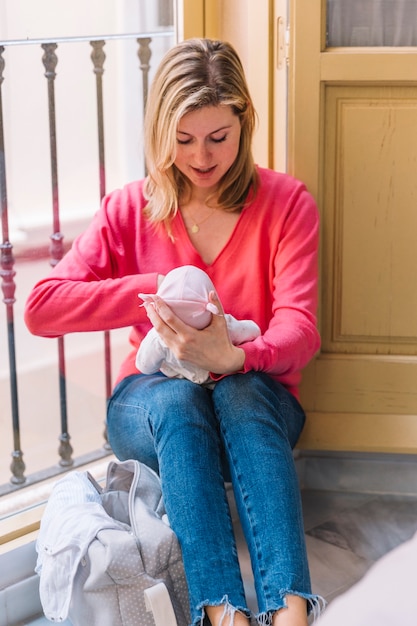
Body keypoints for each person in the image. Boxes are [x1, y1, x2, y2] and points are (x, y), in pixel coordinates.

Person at [24, 38, 323, 626]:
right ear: (160, 131)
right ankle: (223, 615)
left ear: (244, 124)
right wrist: (154, 289)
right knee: (180, 394)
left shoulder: (287, 203)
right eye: (183, 139)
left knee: (237, 390)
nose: (203, 157)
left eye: (219, 137)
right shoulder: (128, 208)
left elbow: (300, 327)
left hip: (257, 404)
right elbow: (40, 307)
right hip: (155, 408)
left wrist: (235, 355)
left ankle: (291, 613)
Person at [136, 264, 261, 385]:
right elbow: (254, 331)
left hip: (179, 378)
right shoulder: (226, 328)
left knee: (178, 396)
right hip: (219, 379)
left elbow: (145, 366)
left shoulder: (158, 338)